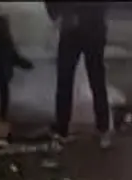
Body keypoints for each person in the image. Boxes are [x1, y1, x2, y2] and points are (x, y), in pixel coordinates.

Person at [46, 1, 112, 145]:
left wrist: (56, 12)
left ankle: (62, 128)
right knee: (97, 79)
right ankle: (103, 128)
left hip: (72, 26)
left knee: (65, 80)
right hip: (94, 25)